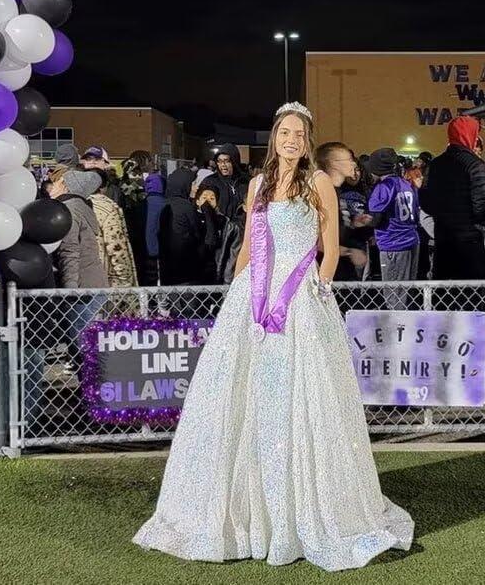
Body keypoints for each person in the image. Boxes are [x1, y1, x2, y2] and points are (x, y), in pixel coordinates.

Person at [134, 102, 414, 570]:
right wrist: (236, 291)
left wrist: (321, 287)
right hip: (254, 294)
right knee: (245, 393)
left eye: (298, 134)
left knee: (300, 393)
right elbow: (249, 243)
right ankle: (248, 510)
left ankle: (304, 509)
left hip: (300, 295)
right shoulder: (258, 184)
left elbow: (329, 244)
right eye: (285, 132)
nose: (291, 140)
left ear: (307, 140)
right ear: (274, 137)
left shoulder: (318, 182)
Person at [421, 116, 485, 280]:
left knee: (444, 289)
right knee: (471, 290)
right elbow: (482, 205)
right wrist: (478, 226)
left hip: (443, 239)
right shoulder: (475, 164)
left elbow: (426, 202)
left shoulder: (436, 164)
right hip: (470, 241)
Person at [316, 142, 370, 281]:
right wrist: (349, 252)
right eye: (348, 159)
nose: (353, 163)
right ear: (333, 164)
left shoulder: (337, 191)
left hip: (344, 268)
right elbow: (315, 240)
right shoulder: (320, 192)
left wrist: (352, 223)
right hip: (326, 271)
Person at [50, 169, 108, 289]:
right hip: (94, 281)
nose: (53, 185)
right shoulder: (81, 207)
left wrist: (70, 287)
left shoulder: (69, 210)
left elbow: (69, 250)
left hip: (82, 287)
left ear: (65, 186)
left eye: (58, 181)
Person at [368, 147, 419, 283]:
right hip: (412, 240)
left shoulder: (383, 187)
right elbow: (416, 214)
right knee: (408, 290)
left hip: (393, 244)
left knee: (394, 292)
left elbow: (375, 220)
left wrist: (359, 220)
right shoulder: (407, 184)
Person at [89, 171, 138, 288]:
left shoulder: (74, 205)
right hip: (108, 279)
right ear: (105, 186)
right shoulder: (108, 208)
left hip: (84, 276)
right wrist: (125, 278)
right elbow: (116, 245)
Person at [158, 169, 204, 286]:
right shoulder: (186, 206)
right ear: (184, 184)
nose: (196, 188)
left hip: (166, 267)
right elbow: (197, 233)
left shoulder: (164, 203)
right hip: (186, 267)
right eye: (193, 184)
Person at [200, 144, 249, 220]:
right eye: (219, 161)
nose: (223, 165)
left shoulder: (246, 181)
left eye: (227, 161)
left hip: (242, 225)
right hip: (219, 225)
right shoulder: (210, 181)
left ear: (234, 161)